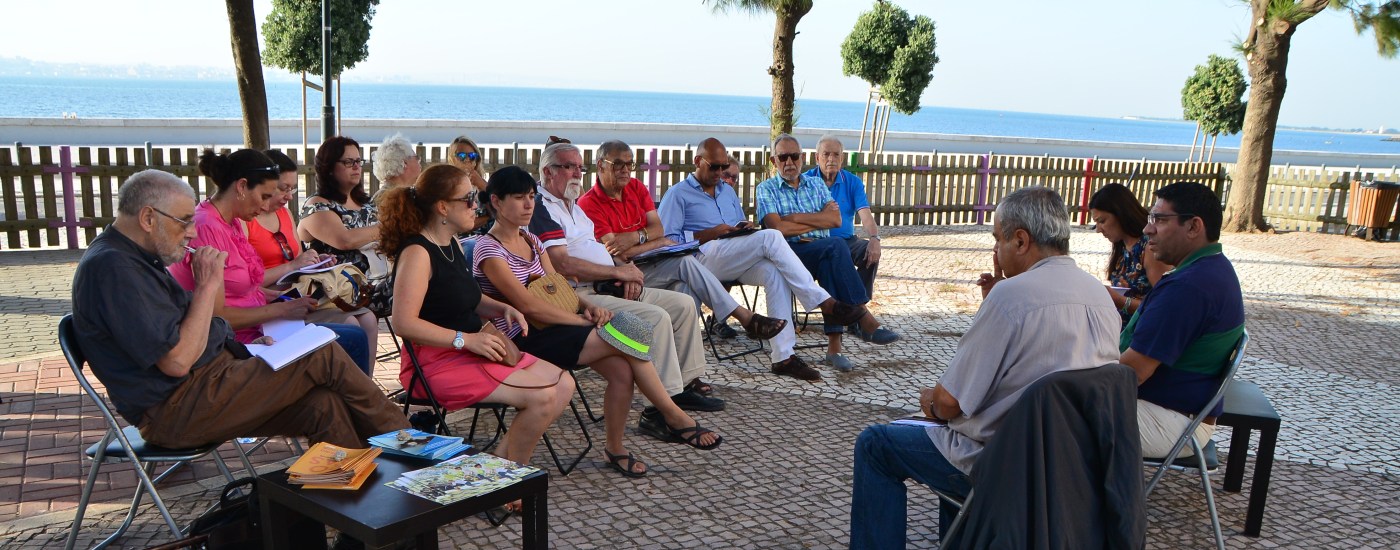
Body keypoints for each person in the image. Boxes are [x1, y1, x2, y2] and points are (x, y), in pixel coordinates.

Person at [849, 187, 1121, 549]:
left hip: (1004, 464)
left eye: (998, 239)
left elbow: (950, 403)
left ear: (1021, 240)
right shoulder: (1100, 296)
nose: (996, 250)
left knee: (876, 444)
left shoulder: (1013, 298)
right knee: (954, 441)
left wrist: (929, 401)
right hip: (1073, 467)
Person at [70, 169, 408, 452]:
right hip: (176, 409)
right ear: (147, 217)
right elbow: (175, 362)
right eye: (185, 221)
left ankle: (359, 509)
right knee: (321, 355)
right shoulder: (113, 268)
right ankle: (412, 445)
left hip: (206, 385)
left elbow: (183, 329)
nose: (191, 232)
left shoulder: (133, 257)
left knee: (324, 406)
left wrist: (240, 348)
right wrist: (206, 286)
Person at [475, 166, 724, 477]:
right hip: (523, 338)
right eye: (519, 198)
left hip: (556, 327)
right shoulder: (488, 249)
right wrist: (582, 322)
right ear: (496, 202)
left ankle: (616, 448)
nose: (529, 205)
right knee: (626, 334)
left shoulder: (530, 240)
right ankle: (673, 415)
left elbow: (557, 285)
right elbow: (527, 306)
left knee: (622, 370)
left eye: (531, 197)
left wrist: (588, 307)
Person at [377, 163, 571, 472]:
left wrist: (501, 308)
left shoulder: (451, 243)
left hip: (471, 348)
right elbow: (404, 323)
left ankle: (497, 470)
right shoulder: (418, 253)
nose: (476, 204)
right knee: (544, 397)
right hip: (435, 362)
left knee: (564, 384)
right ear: (443, 207)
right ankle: (506, 476)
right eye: (468, 199)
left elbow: (466, 297)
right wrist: (466, 340)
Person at [528, 141, 725, 440]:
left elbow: (601, 248)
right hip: (581, 295)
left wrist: (627, 270)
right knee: (656, 317)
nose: (576, 174)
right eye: (569, 167)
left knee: (683, 305)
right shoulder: (542, 207)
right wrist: (617, 270)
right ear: (547, 171)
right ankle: (657, 412)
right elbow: (562, 263)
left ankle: (680, 389)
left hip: (610, 282)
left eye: (579, 168)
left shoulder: (572, 205)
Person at [657, 138, 872, 381]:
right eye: (714, 167)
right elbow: (667, 240)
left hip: (732, 255)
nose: (720, 173)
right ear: (697, 162)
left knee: (774, 271)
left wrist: (744, 227)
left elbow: (738, 225)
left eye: (723, 167)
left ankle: (783, 356)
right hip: (700, 259)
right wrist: (709, 233)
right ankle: (823, 301)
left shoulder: (726, 192)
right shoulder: (677, 194)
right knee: (771, 236)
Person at [167, 149, 373, 375]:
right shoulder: (208, 227)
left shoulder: (230, 221)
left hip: (260, 327)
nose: (266, 207)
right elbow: (217, 317)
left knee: (355, 335)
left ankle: (355, 409)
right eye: (265, 196)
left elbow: (238, 290)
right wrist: (282, 310)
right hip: (238, 342)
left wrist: (275, 297)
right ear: (242, 187)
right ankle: (362, 409)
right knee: (352, 340)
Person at [576, 139, 787, 344]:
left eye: (629, 164)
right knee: (686, 262)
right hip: (622, 274)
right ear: (601, 166)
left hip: (651, 265)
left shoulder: (636, 187)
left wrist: (637, 237)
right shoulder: (589, 203)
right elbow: (619, 253)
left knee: (685, 287)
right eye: (618, 164)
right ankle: (745, 318)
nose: (625, 170)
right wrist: (657, 242)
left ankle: (685, 369)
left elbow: (658, 229)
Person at [755, 134, 901, 372]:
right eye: (783, 157)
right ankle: (862, 317)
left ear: (802, 158)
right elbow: (777, 228)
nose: (789, 162)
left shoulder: (815, 184)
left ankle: (835, 351)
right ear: (774, 161)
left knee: (831, 258)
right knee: (835, 247)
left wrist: (793, 218)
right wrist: (816, 220)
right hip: (788, 254)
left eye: (794, 156)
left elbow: (834, 219)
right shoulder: (766, 189)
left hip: (820, 251)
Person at [1119, 181, 1244, 459]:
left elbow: (1132, 373)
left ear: (1193, 226)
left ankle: (1069, 501)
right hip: (1183, 413)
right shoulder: (1213, 268)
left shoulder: (1188, 288)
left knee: (1045, 413)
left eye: (1160, 220)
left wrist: (1071, 376)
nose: (1147, 228)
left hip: (1172, 420)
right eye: (1151, 218)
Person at [253, 149, 382, 341]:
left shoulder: (284, 214)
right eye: (283, 188)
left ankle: (362, 374)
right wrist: (292, 266)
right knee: (351, 325)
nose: (289, 196)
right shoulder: (247, 222)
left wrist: (315, 262)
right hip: (271, 303)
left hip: (299, 294)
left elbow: (297, 260)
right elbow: (245, 282)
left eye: (292, 189)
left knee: (369, 319)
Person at [296, 135, 386, 338]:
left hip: (372, 282)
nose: (356, 166)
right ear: (328, 167)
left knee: (427, 291)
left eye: (358, 161)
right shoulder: (317, 204)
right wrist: (385, 228)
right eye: (348, 162)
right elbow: (344, 240)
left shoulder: (366, 204)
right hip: (335, 290)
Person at [803, 135, 890, 343]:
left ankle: (855, 312)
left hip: (846, 240)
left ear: (842, 159)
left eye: (836, 154)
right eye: (826, 154)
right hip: (817, 242)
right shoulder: (807, 181)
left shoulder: (852, 182)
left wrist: (875, 238)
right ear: (817, 157)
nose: (831, 159)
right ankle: (859, 316)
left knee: (870, 253)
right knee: (831, 257)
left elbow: (865, 215)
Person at [1088, 183, 1171, 322]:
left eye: (1102, 221)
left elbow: (1164, 305)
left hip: (1141, 334)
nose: (1098, 229)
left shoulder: (1149, 247)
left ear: (1121, 214)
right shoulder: (1122, 246)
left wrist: (1120, 301)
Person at [447, 135, 492, 237]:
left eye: (472, 156)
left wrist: (482, 185)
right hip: (461, 240)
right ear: (452, 159)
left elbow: (501, 209)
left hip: (488, 238)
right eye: (461, 156)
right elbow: (462, 225)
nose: (467, 160)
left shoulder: (482, 183)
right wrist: (488, 218)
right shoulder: (449, 185)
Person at [370, 133, 422, 203]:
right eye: (417, 158)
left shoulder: (385, 195)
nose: (420, 164)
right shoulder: (393, 198)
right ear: (404, 164)